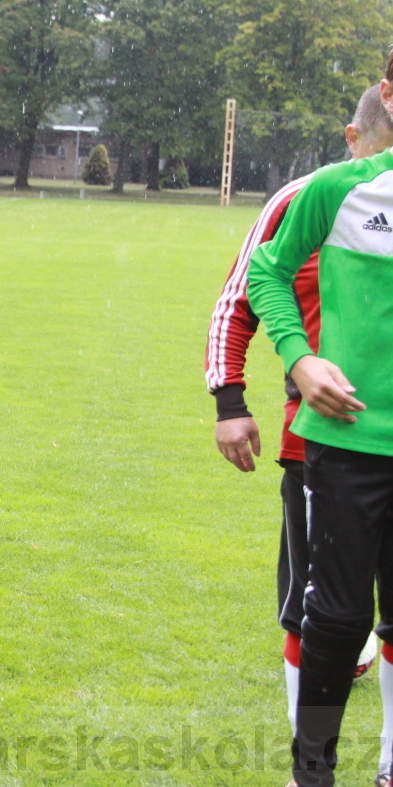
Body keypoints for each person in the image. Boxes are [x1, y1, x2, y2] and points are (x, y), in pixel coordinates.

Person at [207, 84, 393, 784]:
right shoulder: (316, 194)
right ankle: (307, 769)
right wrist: (231, 397)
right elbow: (246, 291)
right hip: (321, 444)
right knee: (320, 614)